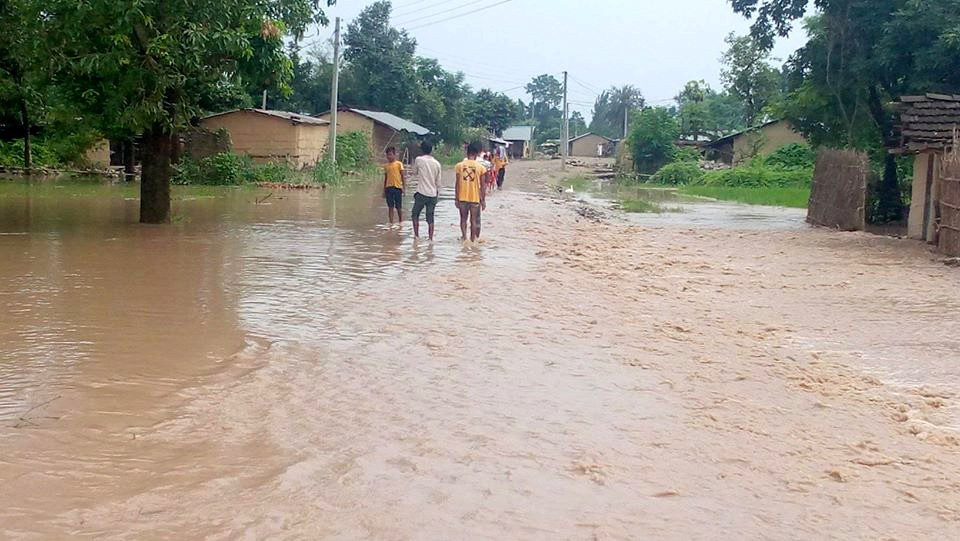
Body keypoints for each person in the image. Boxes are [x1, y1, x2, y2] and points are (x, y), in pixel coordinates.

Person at [455, 142, 487, 242]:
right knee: (473, 221)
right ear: (477, 154)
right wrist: (483, 200)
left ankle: (464, 238)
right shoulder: (481, 168)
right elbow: (483, 186)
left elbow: (457, 184)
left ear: (467, 153)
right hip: (475, 198)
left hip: (462, 197)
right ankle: (472, 241)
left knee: (463, 219)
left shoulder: (459, 166)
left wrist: (456, 198)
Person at [411, 141, 442, 240]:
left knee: (415, 214)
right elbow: (438, 182)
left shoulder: (419, 160)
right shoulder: (437, 164)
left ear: (421, 149)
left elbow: (414, 172)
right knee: (430, 218)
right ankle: (430, 238)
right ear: (431, 150)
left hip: (421, 193)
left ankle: (416, 236)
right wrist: (437, 194)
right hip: (432, 194)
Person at [382, 147, 405, 224]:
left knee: (399, 207)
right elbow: (386, 178)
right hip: (388, 188)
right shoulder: (386, 166)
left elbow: (402, 177)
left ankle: (400, 222)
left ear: (394, 155)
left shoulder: (399, 164)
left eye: (390, 154)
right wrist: (384, 190)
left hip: (397, 188)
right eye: (387, 155)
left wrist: (404, 188)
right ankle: (391, 223)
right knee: (390, 207)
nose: (389, 156)